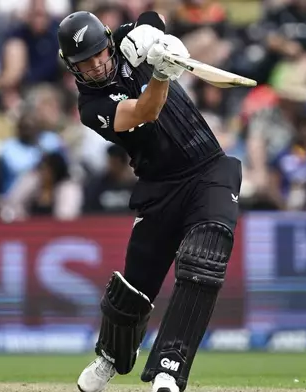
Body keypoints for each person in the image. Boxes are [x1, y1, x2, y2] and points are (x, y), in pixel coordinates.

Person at [57, 10, 243, 392]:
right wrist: (160, 74)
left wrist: (153, 36)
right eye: (83, 62)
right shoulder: (91, 107)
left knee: (202, 261)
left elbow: (151, 16)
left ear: (108, 42)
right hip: (158, 186)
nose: (95, 65)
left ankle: (169, 370)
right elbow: (146, 111)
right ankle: (111, 357)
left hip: (208, 169)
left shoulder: (124, 42)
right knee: (133, 289)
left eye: (99, 53)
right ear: (71, 67)